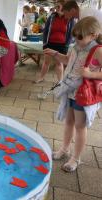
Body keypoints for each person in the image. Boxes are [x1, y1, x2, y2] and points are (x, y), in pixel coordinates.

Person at [45, 16, 102, 172]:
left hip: (84, 94)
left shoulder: (97, 51)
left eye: (80, 37)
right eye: (74, 36)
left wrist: (91, 74)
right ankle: (64, 149)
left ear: (94, 35)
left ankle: (76, 159)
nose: (76, 39)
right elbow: (67, 60)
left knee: (80, 126)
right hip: (70, 90)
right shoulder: (75, 46)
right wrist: (55, 54)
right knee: (68, 122)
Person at [34, 0, 74, 84]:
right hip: (50, 43)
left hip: (62, 45)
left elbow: (71, 34)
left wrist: (67, 44)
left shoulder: (70, 19)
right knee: (46, 62)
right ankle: (41, 77)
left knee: (59, 63)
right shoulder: (52, 17)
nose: (57, 8)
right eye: (56, 6)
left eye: (59, 6)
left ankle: (60, 81)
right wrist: (45, 43)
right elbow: (45, 31)